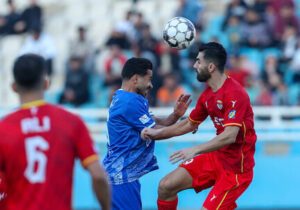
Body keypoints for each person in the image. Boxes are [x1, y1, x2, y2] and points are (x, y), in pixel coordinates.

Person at [142, 42, 257, 210]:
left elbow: (230, 135)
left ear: (210, 67)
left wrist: (195, 149)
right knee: (166, 186)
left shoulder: (235, 94)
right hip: (216, 157)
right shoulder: (207, 96)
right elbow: (188, 124)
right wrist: (155, 134)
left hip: (236, 170)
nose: (194, 65)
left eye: (198, 62)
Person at [0, 54, 111, 210]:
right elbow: (99, 176)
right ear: (46, 84)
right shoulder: (71, 122)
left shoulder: (3, 128)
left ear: (13, 87)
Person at [102, 57, 191, 210]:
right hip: (121, 178)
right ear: (136, 79)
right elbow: (156, 132)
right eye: (149, 79)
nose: (151, 84)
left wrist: (175, 116)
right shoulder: (130, 101)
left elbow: (155, 122)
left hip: (121, 175)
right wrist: (189, 125)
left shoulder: (124, 96)